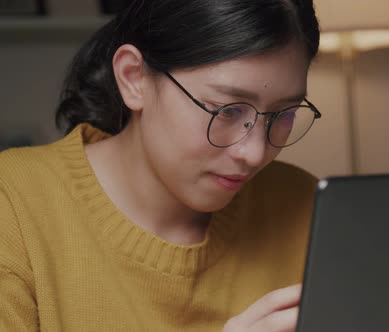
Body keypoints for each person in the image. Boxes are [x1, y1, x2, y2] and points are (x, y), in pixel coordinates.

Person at [0, 0, 321, 331]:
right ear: (133, 77)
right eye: (226, 110)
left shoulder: (307, 204)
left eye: (285, 114)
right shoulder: (13, 204)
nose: (254, 153)